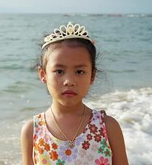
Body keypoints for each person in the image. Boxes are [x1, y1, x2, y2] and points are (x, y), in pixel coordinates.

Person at [21, 22, 128, 165]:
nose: (69, 81)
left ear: (92, 76)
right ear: (43, 74)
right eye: (59, 71)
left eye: (79, 72)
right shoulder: (32, 131)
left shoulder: (107, 127)